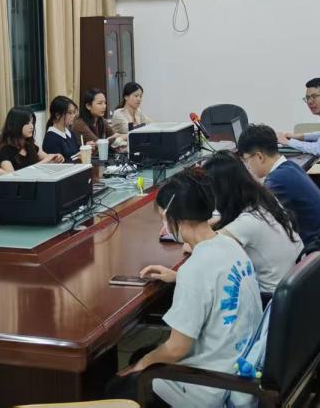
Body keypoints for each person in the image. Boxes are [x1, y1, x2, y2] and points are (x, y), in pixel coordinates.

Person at [105, 169, 264, 407]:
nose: (163, 226)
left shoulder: (195, 269)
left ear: (174, 218)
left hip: (216, 385)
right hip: (243, 362)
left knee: (118, 387)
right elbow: (218, 283)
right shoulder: (230, 246)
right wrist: (178, 277)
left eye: (163, 218)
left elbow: (176, 349)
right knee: (143, 355)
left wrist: (140, 366)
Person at [201, 152, 303, 294]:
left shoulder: (247, 223)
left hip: (271, 299)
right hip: (295, 290)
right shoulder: (265, 200)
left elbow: (206, 247)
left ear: (220, 191)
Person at [237, 123, 320, 251]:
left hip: (314, 252)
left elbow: (259, 219)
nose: (247, 166)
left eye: (246, 160)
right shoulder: (290, 167)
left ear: (259, 157)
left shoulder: (277, 180)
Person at [0, 107, 64, 172]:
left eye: (32, 122)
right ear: (16, 125)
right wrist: (44, 162)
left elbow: (47, 157)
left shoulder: (29, 144)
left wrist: (56, 158)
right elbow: (12, 177)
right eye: (27, 123)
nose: (31, 126)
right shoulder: (4, 151)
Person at [41, 95, 81, 161]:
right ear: (58, 115)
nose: (73, 116)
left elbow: (76, 153)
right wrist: (77, 158)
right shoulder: (51, 138)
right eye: (69, 113)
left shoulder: (70, 133)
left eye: (74, 112)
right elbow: (56, 164)